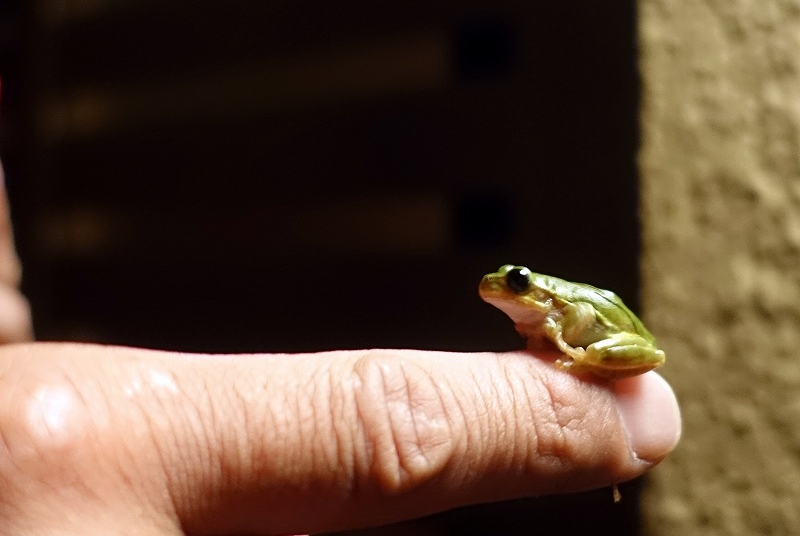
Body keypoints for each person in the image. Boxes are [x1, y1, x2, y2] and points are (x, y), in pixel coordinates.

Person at [0, 166, 680, 535]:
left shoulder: (557, 303)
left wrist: (565, 348)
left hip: (601, 333)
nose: (506, 288)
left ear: (534, 288)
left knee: (397, 429)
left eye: (517, 283)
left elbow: (580, 324)